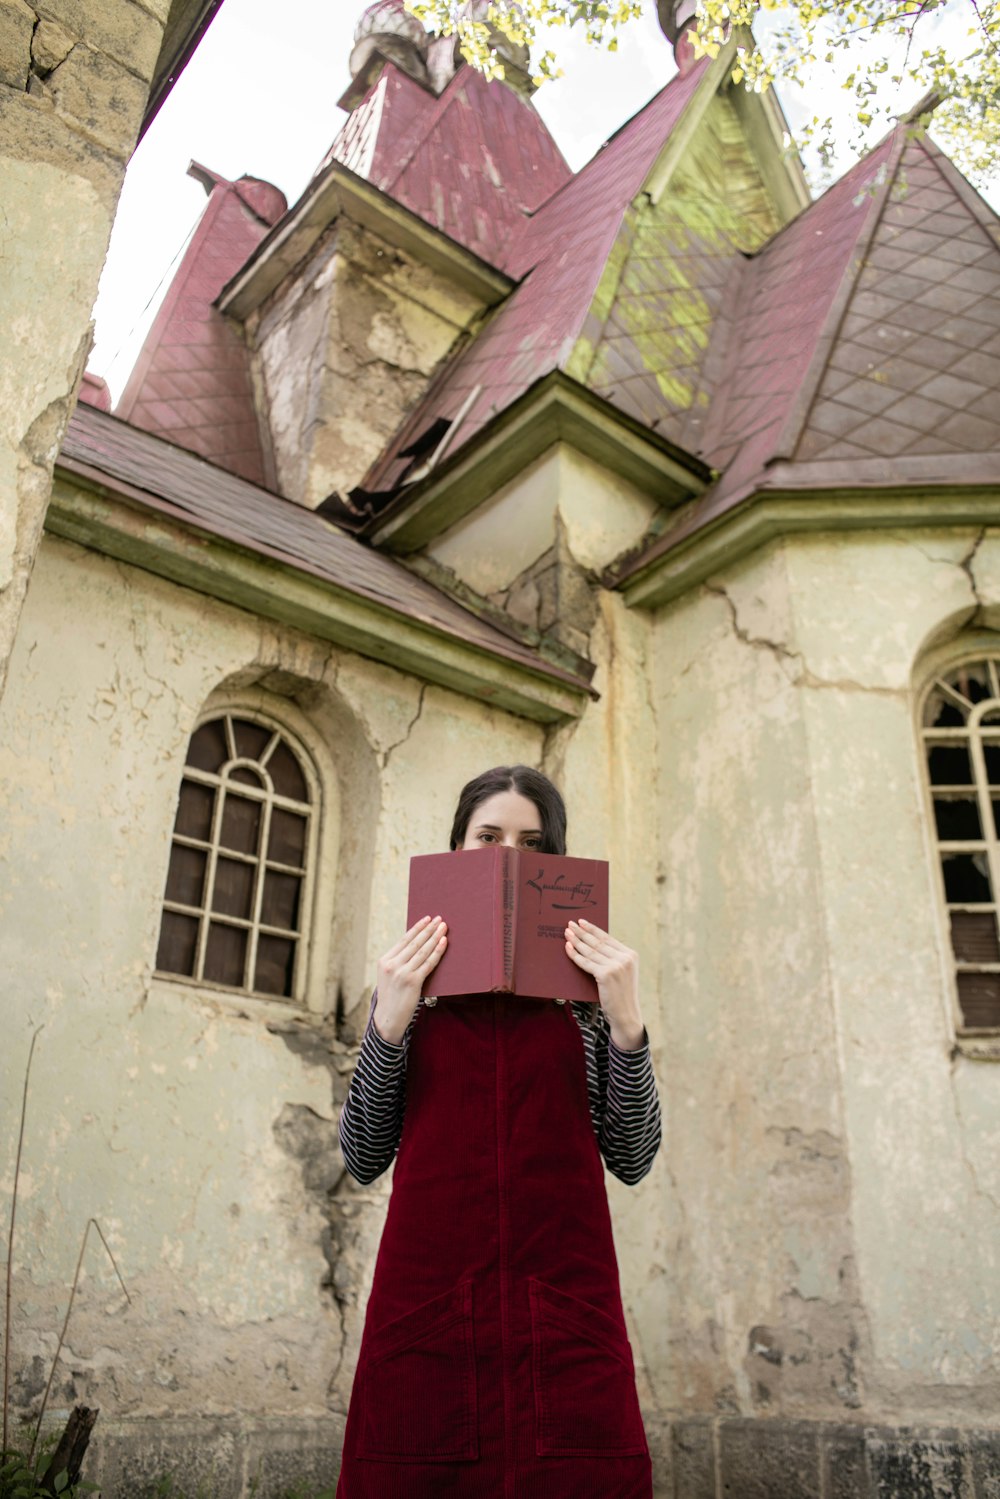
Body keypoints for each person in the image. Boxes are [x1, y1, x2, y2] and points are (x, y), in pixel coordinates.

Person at [336, 765, 661, 1498]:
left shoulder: (583, 1009)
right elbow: (361, 1155)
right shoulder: (409, 997)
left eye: (531, 843)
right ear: (457, 849)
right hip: (429, 1317)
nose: (507, 855)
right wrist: (388, 1023)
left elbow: (634, 1156)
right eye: (488, 836)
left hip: (565, 1318)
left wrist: (628, 1024)